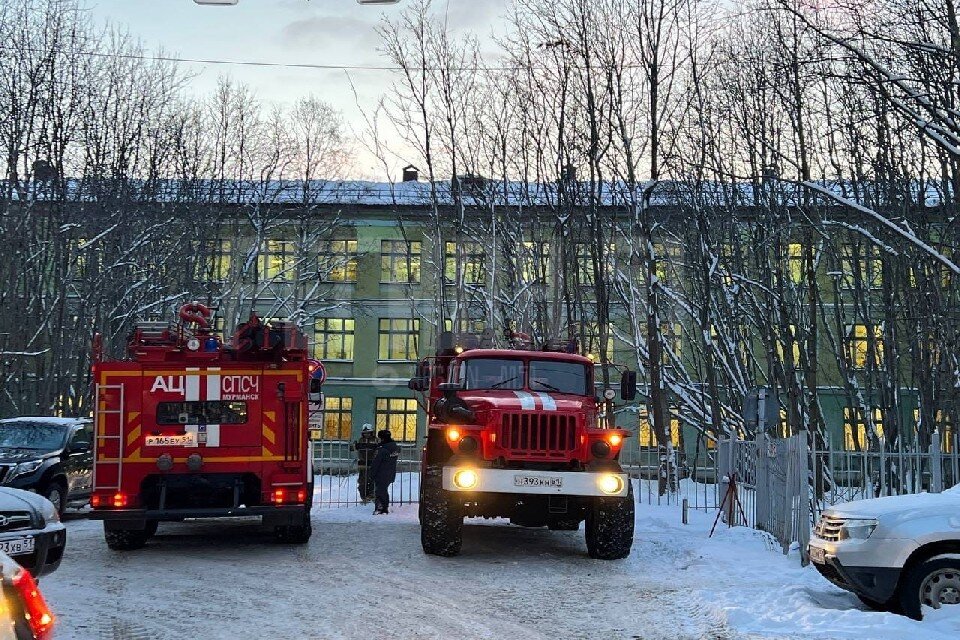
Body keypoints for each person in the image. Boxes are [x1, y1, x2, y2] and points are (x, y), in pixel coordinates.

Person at [369, 429, 400, 514]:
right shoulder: (394, 448)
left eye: (379, 438)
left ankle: (381, 508)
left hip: (381, 473)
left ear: (382, 439)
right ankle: (384, 507)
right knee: (383, 490)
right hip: (390, 473)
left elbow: (376, 463)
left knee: (380, 491)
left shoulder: (382, 450)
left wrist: (372, 474)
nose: (378, 440)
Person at [351, 424, 378, 503]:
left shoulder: (376, 440)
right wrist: (356, 445)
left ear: (372, 432)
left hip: (373, 464)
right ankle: (364, 497)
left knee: (373, 481)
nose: (367, 434)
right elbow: (352, 448)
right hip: (362, 464)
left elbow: (379, 449)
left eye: (368, 433)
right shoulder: (360, 440)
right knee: (362, 481)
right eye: (365, 433)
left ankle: (372, 496)